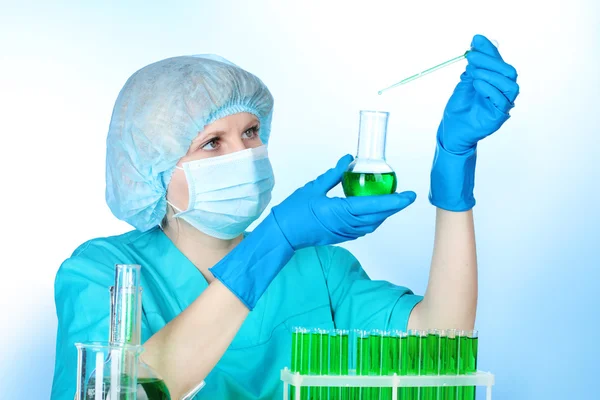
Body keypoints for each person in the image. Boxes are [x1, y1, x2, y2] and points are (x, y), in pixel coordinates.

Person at [51, 34, 519, 399]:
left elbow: (442, 342)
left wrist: (453, 178)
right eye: (212, 143)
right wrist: (272, 241)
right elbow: (126, 393)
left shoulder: (317, 268)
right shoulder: (104, 274)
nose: (243, 154)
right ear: (151, 168)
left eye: (251, 131)